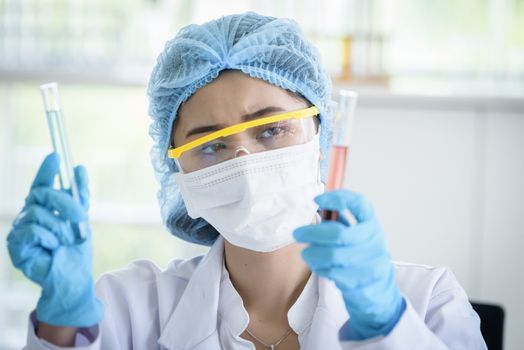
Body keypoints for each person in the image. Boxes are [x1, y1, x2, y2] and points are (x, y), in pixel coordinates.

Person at [7, 12, 486, 350]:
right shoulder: (127, 311)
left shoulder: (427, 302)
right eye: (210, 144)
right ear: (177, 171)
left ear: (322, 136)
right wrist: (62, 325)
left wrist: (388, 326)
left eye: (271, 129)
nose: (243, 159)